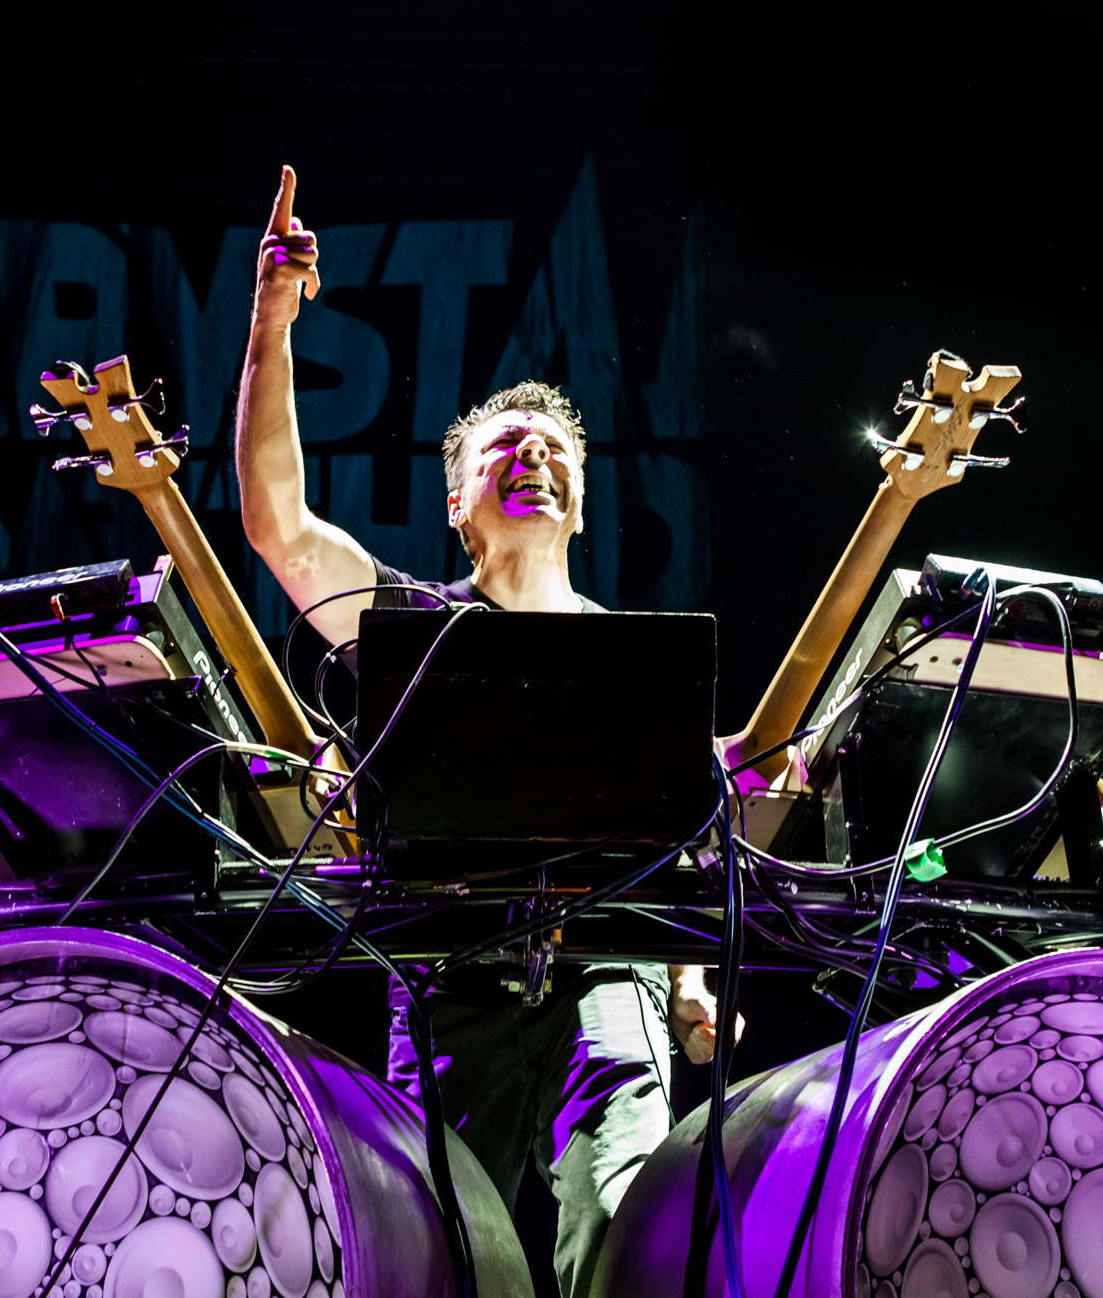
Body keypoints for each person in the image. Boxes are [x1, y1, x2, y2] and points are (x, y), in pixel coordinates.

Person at [234, 165, 735, 1298]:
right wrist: (271, 322)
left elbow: (684, 835)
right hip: (450, 980)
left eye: (553, 451)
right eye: (504, 447)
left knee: (625, 1220)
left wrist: (691, 972)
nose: (534, 456)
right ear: (455, 503)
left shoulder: (638, 660)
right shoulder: (414, 632)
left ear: (579, 505)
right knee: (443, 1248)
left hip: (606, 974)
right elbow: (277, 523)